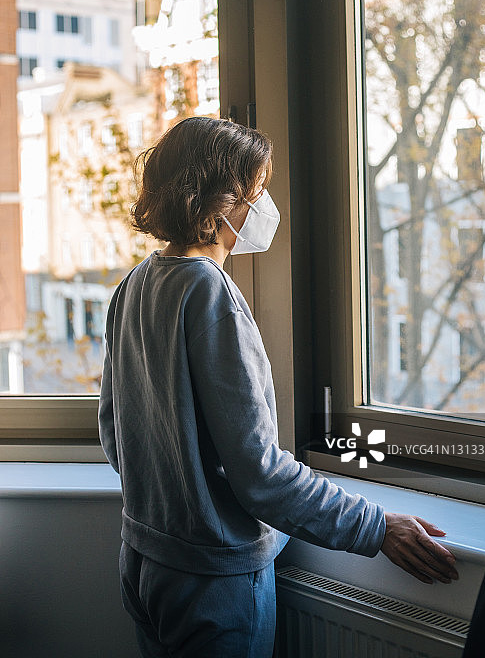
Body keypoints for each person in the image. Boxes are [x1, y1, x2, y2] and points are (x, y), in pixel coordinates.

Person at [98, 116, 459, 658]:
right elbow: (260, 472)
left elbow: (114, 436)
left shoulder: (135, 284)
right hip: (212, 583)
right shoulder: (211, 296)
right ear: (220, 204)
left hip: (144, 562)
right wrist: (376, 526)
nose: (264, 205)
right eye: (257, 190)